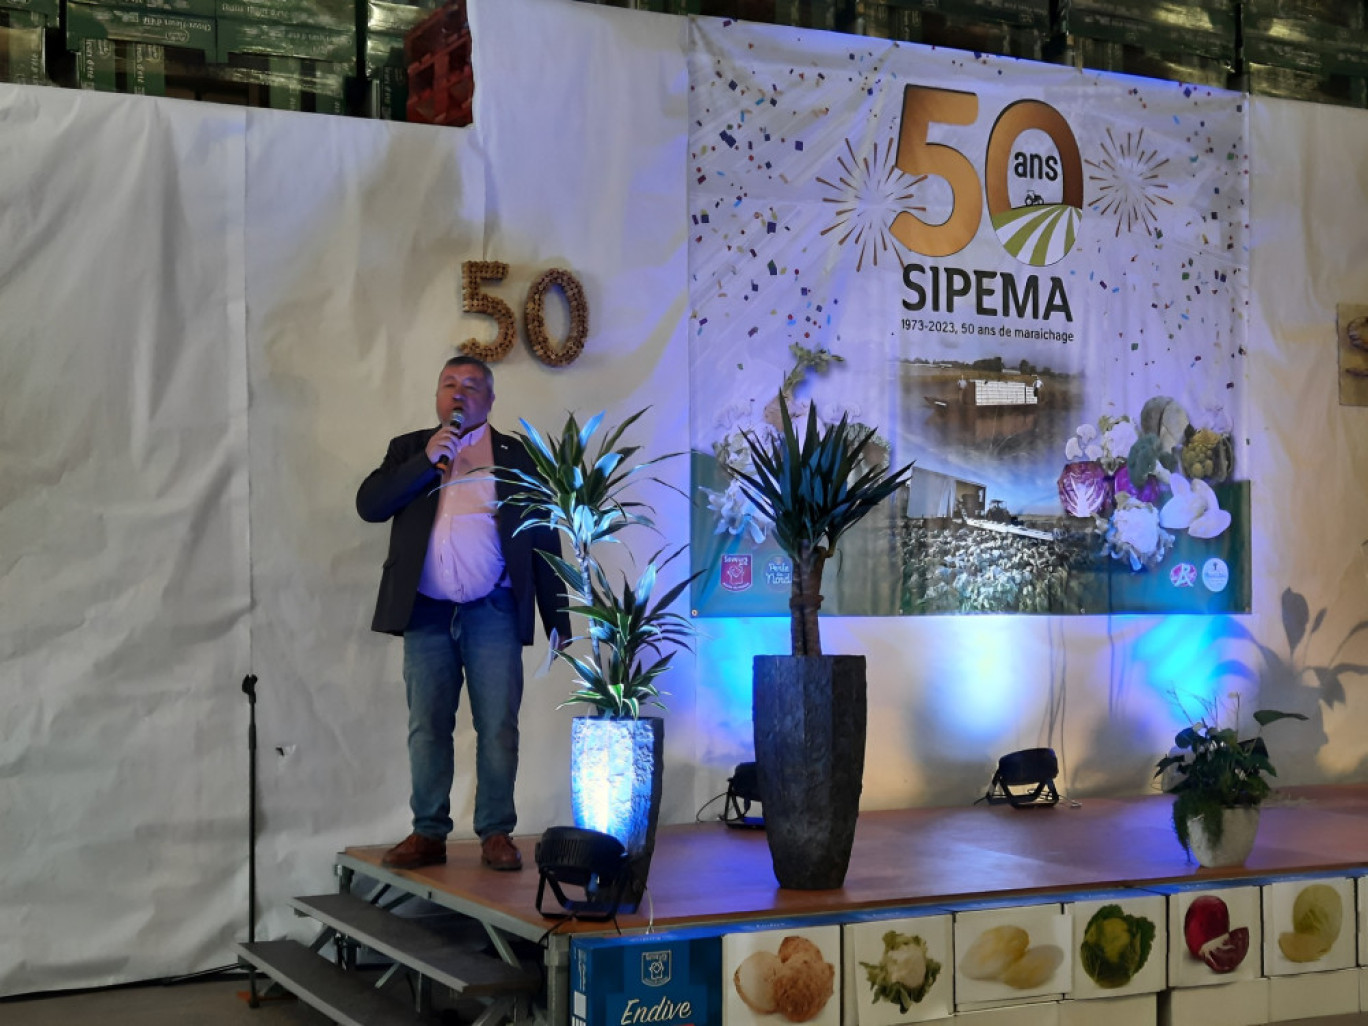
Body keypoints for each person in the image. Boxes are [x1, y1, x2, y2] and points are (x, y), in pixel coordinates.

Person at [356, 355, 569, 871]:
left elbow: (545, 539)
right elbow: (371, 504)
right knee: (427, 725)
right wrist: (425, 461)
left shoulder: (520, 458)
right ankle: (428, 832)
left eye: (472, 385)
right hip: (426, 612)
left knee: (498, 724)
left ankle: (496, 832)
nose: (459, 392)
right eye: (449, 383)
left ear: (490, 400)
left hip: (492, 607)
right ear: (436, 396)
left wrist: (558, 617)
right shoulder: (411, 449)